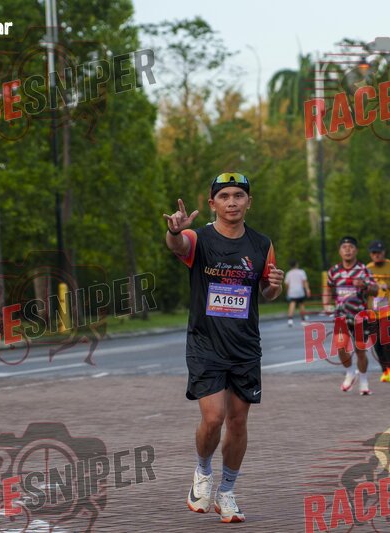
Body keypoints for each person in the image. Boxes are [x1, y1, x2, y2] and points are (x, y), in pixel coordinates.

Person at [164, 172, 284, 523]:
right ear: (212, 203)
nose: (232, 202)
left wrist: (274, 286)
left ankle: (227, 492)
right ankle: (203, 472)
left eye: (239, 196)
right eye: (225, 196)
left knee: (238, 421)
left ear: (249, 202)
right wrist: (174, 231)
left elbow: (267, 291)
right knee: (214, 417)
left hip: (245, 345)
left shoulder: (262, 244)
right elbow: (178, 246)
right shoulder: (198, 238)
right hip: (206, 342)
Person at [323, 236, 379, 395]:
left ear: (356, 251)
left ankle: (364, 381)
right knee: (340, 347)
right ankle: (350, 372)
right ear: (340, 251)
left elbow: (375, 290)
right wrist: (326, 304)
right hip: (341, 315)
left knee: (360, 351)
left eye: (351, 247)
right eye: (344, 247)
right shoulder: (334, 271)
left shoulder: (363, 270)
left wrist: (365, 285)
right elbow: (328, 287)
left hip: (360, 316)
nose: (347, 250)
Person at [366, 240, 390, 383]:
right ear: (370, 254)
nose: (377, 255)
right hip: (373, 312)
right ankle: (385, 370)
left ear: (384, 253)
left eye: (379, 252)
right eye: (374, 253)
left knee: (386, 340)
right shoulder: (367, 269)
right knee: (376, 343)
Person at [284, 260, 310, 326]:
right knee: (301, 304)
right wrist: (307, 290)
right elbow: (304, 281)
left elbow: (286, 284)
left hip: (292, 291)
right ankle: (303, 320)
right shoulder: (301, 272)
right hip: (300, 291)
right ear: (296, 264)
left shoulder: (288, 273)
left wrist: (287, 291)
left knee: (292, 304)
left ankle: (290, 320)